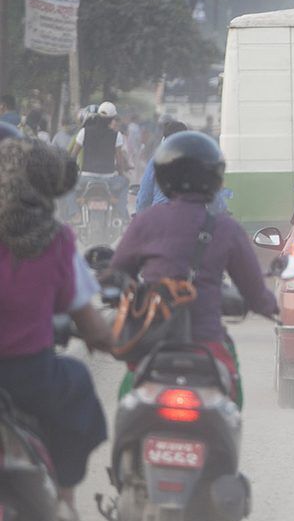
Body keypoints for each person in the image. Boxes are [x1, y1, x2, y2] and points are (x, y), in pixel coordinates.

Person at [110, 132, 279, 408]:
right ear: (214, 179)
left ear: (164, 177)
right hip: (207, 344)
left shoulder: (147, 221)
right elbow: (255, 293)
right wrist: (272, 307)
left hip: (154, 345)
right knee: (232, 392)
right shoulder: (227, 229)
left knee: (128, 391)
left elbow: (117, 273)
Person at [0, 137, 114, 521]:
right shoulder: (57, 240)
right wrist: (113, 341)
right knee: (78, 379)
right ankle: (65, 496)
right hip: (33, 377)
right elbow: (89, 321)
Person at [135, 119, 231, 215]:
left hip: (161, 217)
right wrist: (221, 212)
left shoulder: (155, 161)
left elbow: (144, 196)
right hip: (192, 217)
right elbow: (212, 194)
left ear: (165, 139)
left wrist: (140, 215)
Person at [70, 101, 132, 221]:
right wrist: (121, 174)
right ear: (112, 119)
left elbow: (72, 156)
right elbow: (119, 162)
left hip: (85, 178)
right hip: (109, 179)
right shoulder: (116, 135)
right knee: (125, 182)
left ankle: (75, 213)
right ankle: (119, 213)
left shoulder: (84, 132)